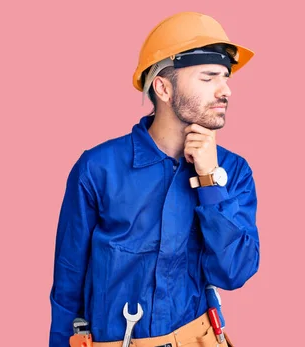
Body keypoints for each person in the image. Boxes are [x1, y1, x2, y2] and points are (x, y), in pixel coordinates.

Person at [49, 11, 260, 347]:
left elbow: (233, 273)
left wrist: (209, 180)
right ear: (163, 88)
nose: (226, 91)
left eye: (226, 78)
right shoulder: (98, 169)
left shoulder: (232, 172)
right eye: (208, 78)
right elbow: (68, 282)